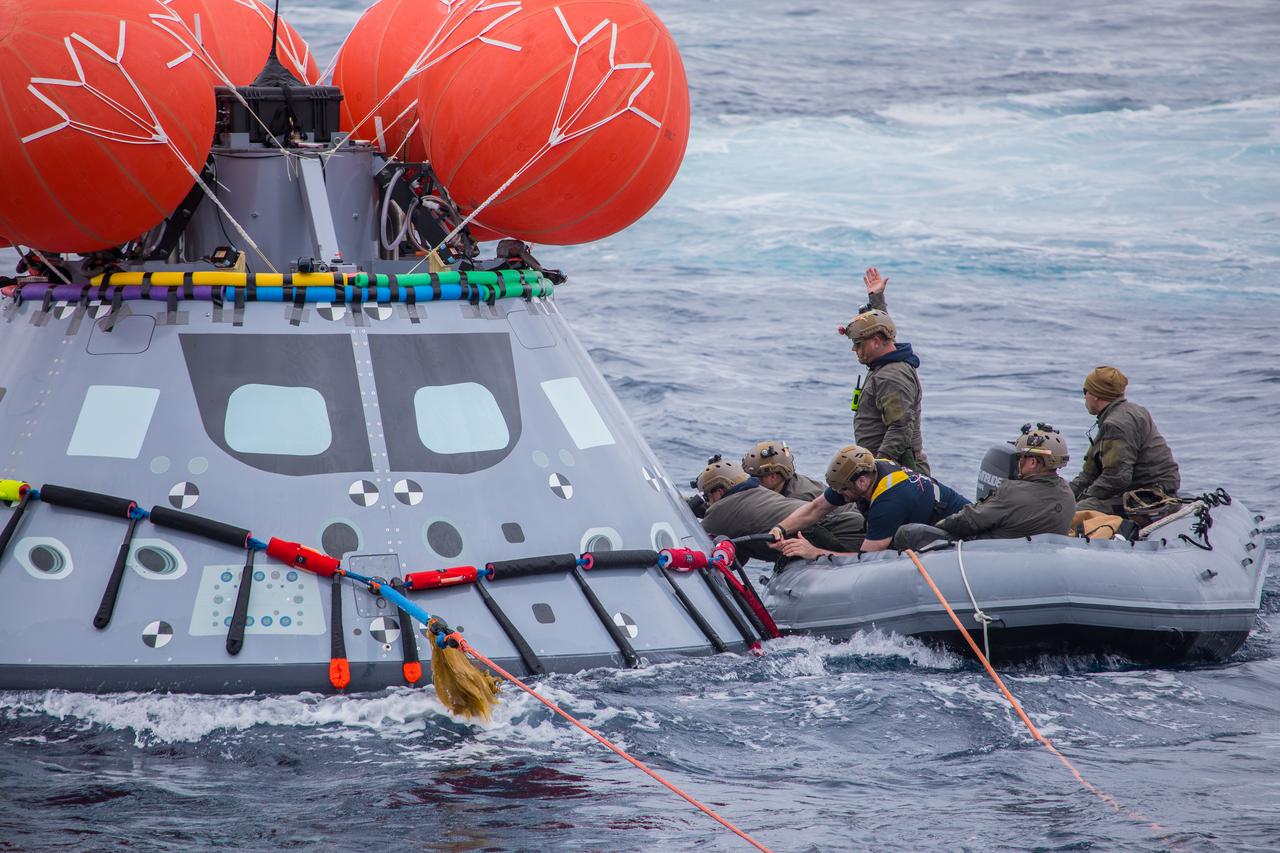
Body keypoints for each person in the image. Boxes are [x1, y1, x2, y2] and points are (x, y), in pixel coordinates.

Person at [770, 444, 968, 558]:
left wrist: (814, 552)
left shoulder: (888, 504)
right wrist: (781, 528)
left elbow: (867, 559)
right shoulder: (870, 470)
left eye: (844, 490)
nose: (841, 495)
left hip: (960, 534)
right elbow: (816, 508)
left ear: (862, 482)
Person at [694, 456, 864, 562]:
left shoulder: (721, 512)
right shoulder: (757, 491)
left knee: (871, 556)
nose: (709, 504)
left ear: (720, 490)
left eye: (708, 497)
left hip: (838, 533)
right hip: (846, 522)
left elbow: (697, 543)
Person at [843, 267, 930, 475]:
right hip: (889, 465)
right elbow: (882, 329)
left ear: (875, 342)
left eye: (858, 344)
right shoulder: (887, 358)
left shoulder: (891, 376)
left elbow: (900, 428)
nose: (854, 349)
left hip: (900, 470)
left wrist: (878, 469)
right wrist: (876, 299)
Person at [934, 423, 1076, 540]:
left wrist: (938, 526)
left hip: (988, 556)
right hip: (1033, 559)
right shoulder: (1067, 493)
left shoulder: (1013, 493)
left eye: (1021, 457)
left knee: (916, 533)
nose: (1018, 462)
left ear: (1032, 462)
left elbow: (968, 521)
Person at [1070, 366, 1180, 515]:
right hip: (1158, 487)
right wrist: (1065, 496)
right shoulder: (1134, 411)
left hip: (1147, 496)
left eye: (1085, 392)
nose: (1084, 397)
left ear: (1095, 395)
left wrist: (1083, 498)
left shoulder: (1116, 424)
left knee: (1074, 512)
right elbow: (1090, 474)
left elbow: (1117, 478)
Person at [740, 440, 825, 501]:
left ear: (773, 476)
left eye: (757, 477)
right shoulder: (785, 484)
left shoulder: (797, 499)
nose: (752, 480)